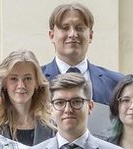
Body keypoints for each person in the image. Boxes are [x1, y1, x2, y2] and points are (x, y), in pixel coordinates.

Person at [41, 3, 124, 132]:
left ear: (90, 35)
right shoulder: (36, 81)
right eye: (65, 28)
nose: (73, 34)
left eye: (80, 28)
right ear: (52, 35)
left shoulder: (117, 83)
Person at [0, 49, 56, 147]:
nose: (21, 86)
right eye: (14, 79)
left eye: (27, 78)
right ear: (4, 84)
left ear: (37, 83)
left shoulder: (53, 127)